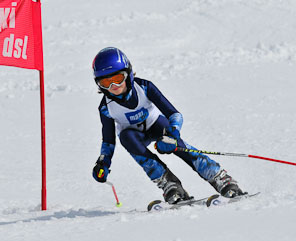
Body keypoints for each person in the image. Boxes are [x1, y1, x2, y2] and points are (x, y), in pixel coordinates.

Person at [91, 47, 246, 204]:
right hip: (134, 136)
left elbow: (174, 114)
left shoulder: (144, 87)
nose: (113, 87)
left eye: (118, 78)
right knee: (126, 137)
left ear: (128, 74)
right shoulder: (106, 107)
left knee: (178, 145)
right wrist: (103, 163)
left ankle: (220, 178)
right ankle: (170, 185)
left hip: (156, 125)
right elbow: (108, 141)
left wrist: (173, 134)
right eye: (105, 83)